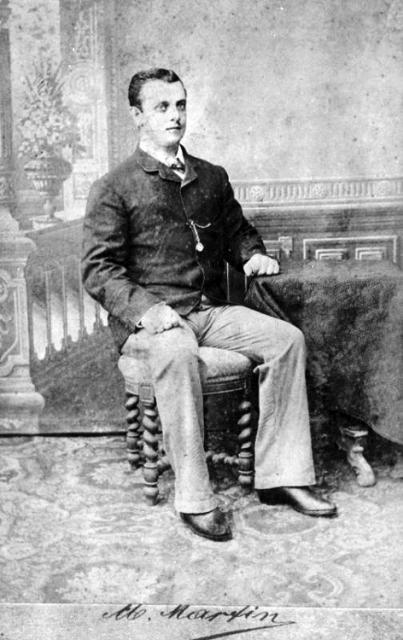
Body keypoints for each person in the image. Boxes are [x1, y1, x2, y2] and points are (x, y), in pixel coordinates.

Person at [82, 67, 337, 542]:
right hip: (153, 323)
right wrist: (146, 310)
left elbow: (238, 231)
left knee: (287, 340)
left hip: (207, 311)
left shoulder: (211, 176)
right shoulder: (113, 187)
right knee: (177, 352)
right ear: (137, 116)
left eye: (180, 105)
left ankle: (282, 477)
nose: (174, 116)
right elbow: (99, 270)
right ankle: (195, 499)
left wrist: (252, 254)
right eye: (162, 107)